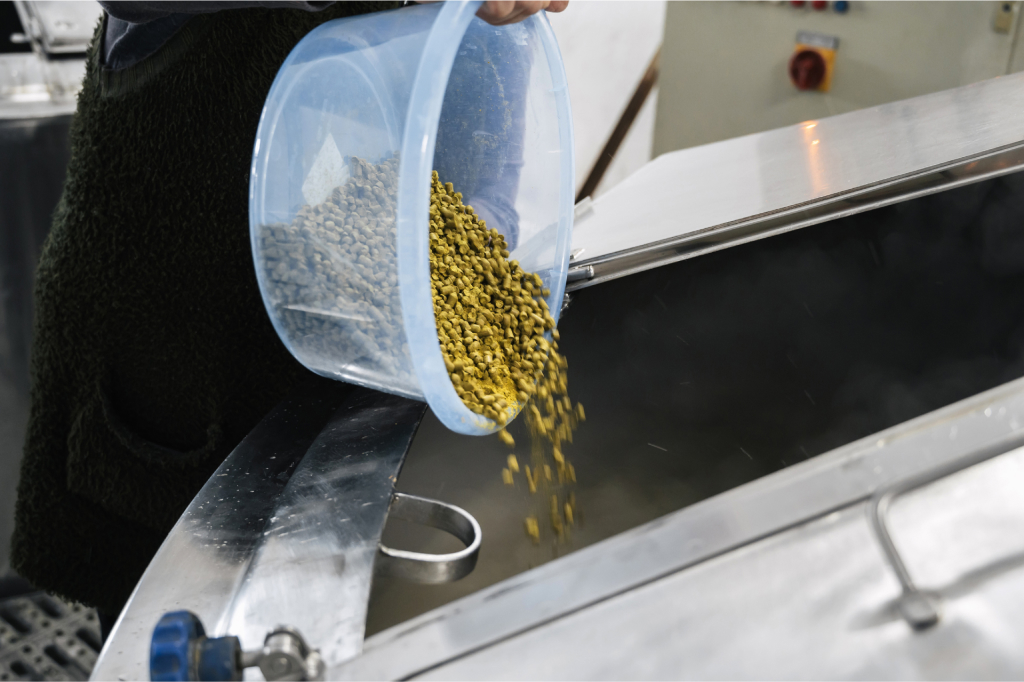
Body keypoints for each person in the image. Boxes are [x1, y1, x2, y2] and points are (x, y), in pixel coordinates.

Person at [10, 0, 567, 636]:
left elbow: (490, 183)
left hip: (344, 379)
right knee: (169, 634)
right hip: (166, 358)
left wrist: (441, 261)